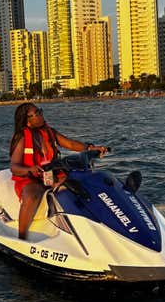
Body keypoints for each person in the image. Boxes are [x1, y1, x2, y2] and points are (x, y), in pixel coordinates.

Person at [9, 102, 107, 240]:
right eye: (37, 113)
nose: (41, 115)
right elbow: (14, 166)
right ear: (28, 121)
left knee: (81, 187)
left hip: (53, 174)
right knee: (31, 196)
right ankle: (22, 237)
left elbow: (71, 144)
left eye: (40, 111)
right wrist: (30, 169)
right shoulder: (22, 138)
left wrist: (91, 148)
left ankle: (94, 227)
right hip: (31, 178)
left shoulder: (49, 132)